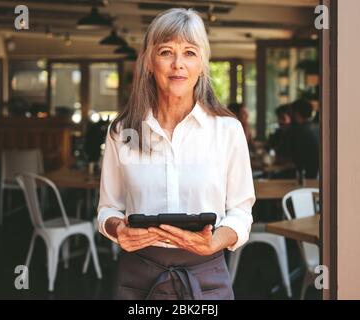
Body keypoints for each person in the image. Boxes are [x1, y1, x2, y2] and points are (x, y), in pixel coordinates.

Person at [97, 8, 256, 300]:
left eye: (190, 53)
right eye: (166, 52)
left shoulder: (228, 130)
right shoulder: (122, 131)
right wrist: (118, 228)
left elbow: (241, 212)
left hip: (206, 276)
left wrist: (214, 242)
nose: (178, 64)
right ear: (148, 61)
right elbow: (108, 208)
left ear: (202, 64)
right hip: (138, 277)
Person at [289, 99, 320, 179]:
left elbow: (287, 158)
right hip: (317, 178)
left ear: (296, 114)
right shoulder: (318, 128)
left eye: (291, 112)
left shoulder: (297, 131)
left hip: (304, 178)